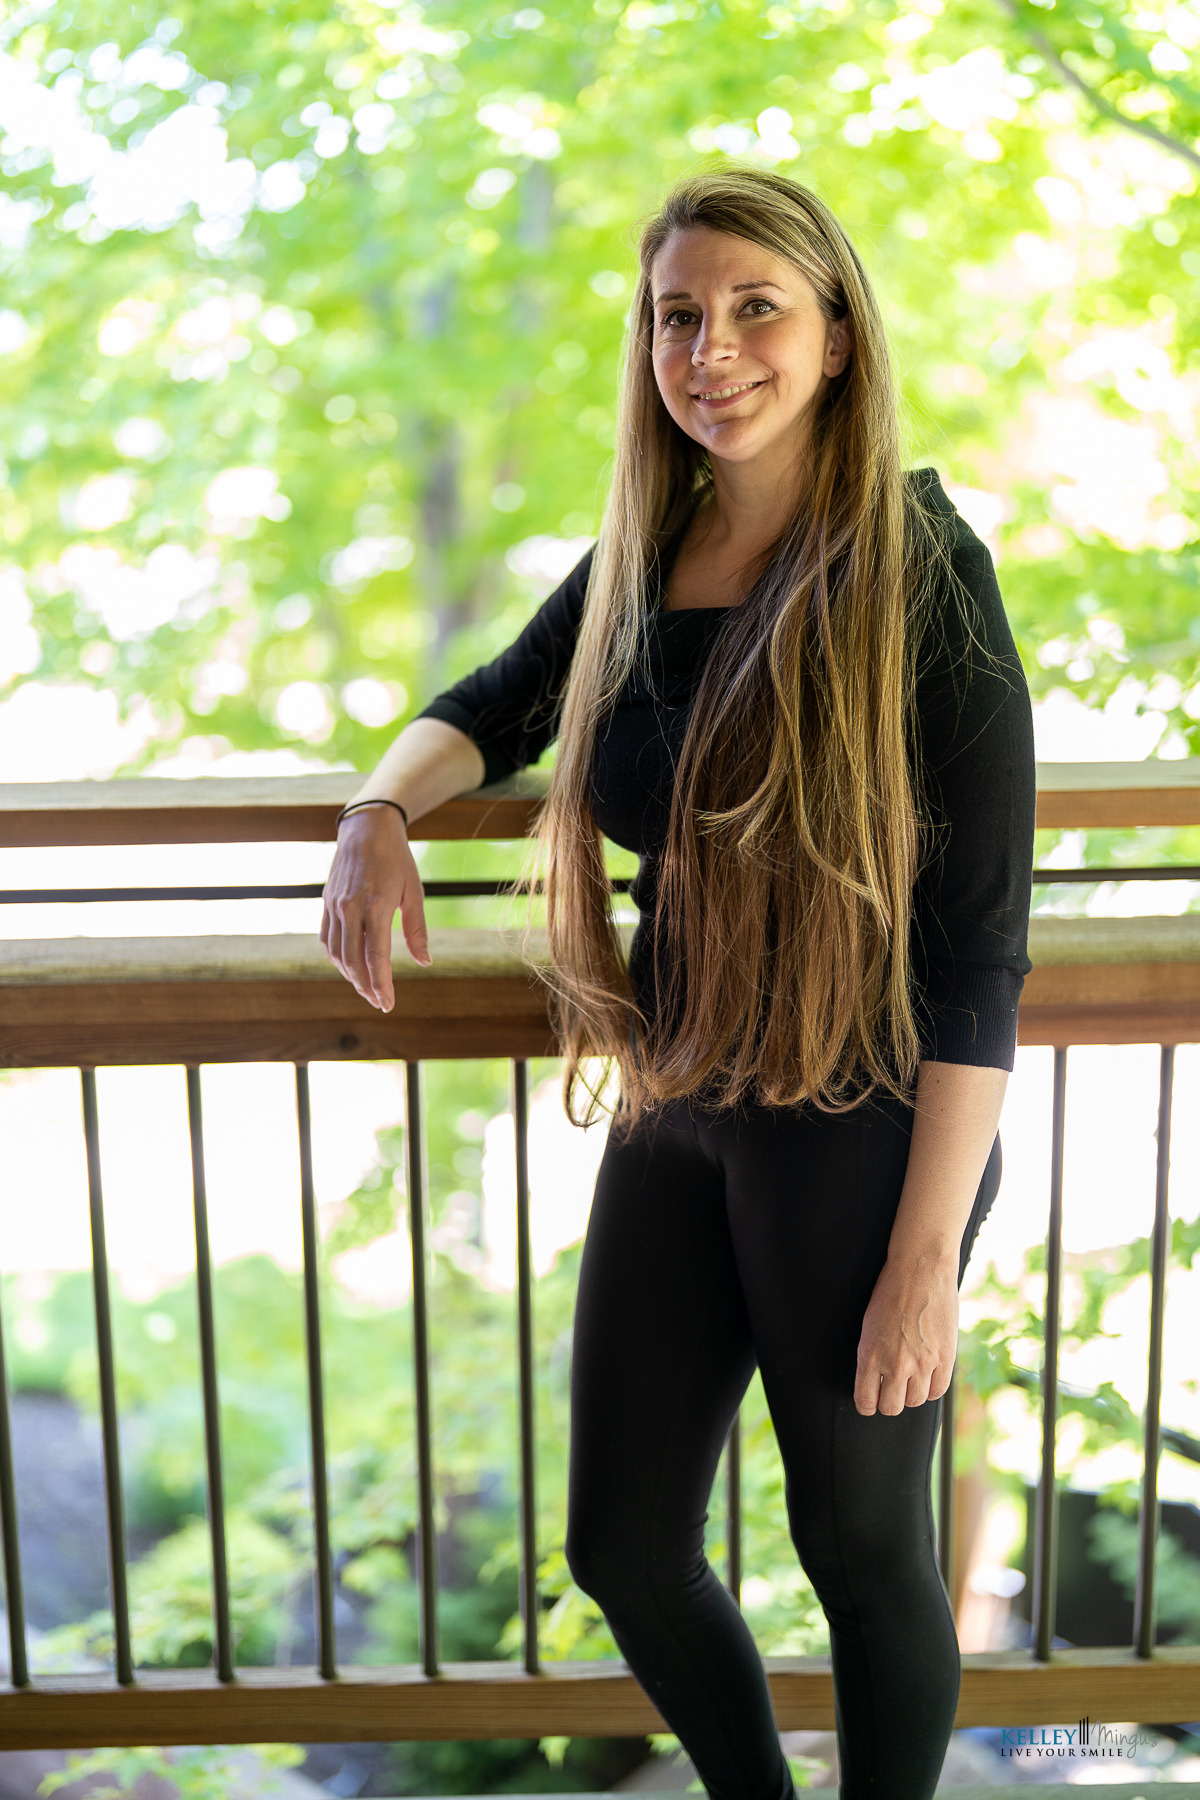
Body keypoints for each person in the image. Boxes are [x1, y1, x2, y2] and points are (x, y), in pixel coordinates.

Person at [320, 167, 1036, 1800]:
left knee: (858, 1542)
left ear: (840, 336)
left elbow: (980, 948)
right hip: (683, 1086)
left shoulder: (925, 571)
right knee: (625, 1542)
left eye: (755, 309)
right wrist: (374, 815)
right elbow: (495, 703)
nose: (711, 349)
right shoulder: (648, 556)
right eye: (678, 318)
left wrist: (926, 1255)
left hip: (867, 1111)